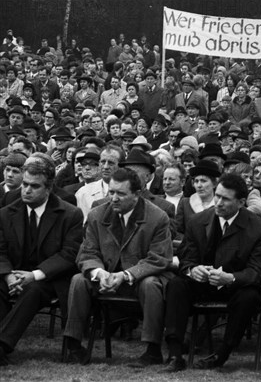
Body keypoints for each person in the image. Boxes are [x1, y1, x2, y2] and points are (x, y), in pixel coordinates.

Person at [63, 168, 173, 366]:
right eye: (111, 192)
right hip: (106, 275)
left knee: (151, 284)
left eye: (121, 193)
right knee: (79, 280)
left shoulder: (158, 217)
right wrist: (99, 272)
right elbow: (87, 253)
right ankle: (72, 345)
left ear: (137, 194)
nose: (113, 198)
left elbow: (159, 258)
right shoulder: (97, 214)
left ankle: (152, 350)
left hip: (140, 279)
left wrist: (126, 275)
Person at [162, 174, 261, 372]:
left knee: (250, 295)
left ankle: (222, 353)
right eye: (217, 196)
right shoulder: (197, 221)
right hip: (202, 284)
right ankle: (175, 353)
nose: (218, 203)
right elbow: (186, 258)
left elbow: (257, 271)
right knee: (176, 284)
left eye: (225, 199)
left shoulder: (258, 227)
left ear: (241, 202)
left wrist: (231, 278)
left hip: (235, 287)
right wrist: (193, 270)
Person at [0, 155, 83, 365]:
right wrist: (9, 276)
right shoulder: (6, 212)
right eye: (25, 184)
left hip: (50, 279)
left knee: (34, 289)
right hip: (13, 274)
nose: (26, 190)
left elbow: (69, 254)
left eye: (34, 186)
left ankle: (1, 345)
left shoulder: (70, 214)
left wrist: (34, 275)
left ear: (49, 188)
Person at [174, 160, 221, 235]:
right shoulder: (185, 203)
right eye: (196, 181)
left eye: (203, 181)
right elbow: (178, 231)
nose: (199, 185)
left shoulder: (220, 204)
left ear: (214, 183)